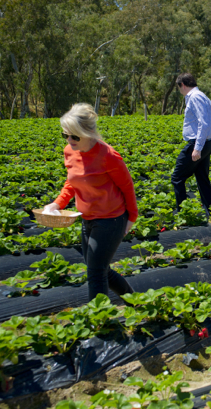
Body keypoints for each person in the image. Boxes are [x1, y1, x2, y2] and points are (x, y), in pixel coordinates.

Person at [44, 103, 137, 302]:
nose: (69, 140)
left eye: (74, 136)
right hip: (87, 218)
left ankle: (99, 322)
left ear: (89, 132)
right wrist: (56, 204)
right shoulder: (69, 151)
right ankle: (135, 300)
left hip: (111, 220)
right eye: (65, 135)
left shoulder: (108, 156)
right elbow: (71, 182)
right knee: (98, 268)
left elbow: (127, 187)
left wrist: (132, 218)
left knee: (95, 273)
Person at [171, 73, 211, 217]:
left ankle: (184, 214)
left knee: (177, 178)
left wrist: (197, 148)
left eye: (179, 88)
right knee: (202, 177)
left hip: (197, 144)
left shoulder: (195, 97)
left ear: (182, 85)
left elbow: (204, 123)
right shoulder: (203, 96)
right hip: (206, 143)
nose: (180, 91)